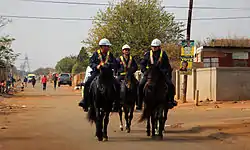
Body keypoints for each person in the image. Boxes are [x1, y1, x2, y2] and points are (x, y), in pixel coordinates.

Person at [78, 38, 119, 112]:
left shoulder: (110, 55)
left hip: (108, 74)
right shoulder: (95, 54)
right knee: (87, 83)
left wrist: (110, 65)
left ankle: (116, 103)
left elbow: (115, 64)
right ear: (101, 46)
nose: (107, 48)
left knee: (117, 84)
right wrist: (96, 66)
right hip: (97, 73)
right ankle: (85, 101)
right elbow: (91, 63)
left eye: (108, 46)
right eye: (106, 46)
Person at [138, 39, 177, 110]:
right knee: (141, 84)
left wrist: (164, 71)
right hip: (149, 74)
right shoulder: (147, 54)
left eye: (155, 47)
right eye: (153, 46)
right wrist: (145, 71)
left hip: (161, 74)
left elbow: (167, 65)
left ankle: (170, 101)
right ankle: (139, 103)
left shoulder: (163, 54)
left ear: (159, 47)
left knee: (170, 84)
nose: (154, 48)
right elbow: (142, 64)